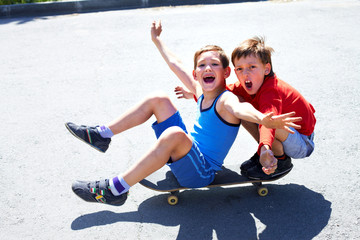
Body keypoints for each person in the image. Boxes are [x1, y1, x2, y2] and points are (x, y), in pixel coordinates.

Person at [65, 21, 301, 206]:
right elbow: (175, 62)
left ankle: (115, 189)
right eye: (201, 65)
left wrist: (262, 118)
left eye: (214, 65)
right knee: (159, 99)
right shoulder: (201, 91)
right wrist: (157, 40)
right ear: (196, 74)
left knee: (176, 133)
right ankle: (102, 135)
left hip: (202, 172)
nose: (207, 68)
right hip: (188, 155)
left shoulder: (226, 99)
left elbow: (240, 108)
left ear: (227, 72)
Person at [176, 36, 316, 180]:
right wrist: (193, 93)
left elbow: (269, 122)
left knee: (268, 120)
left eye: (252, 67)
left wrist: (265, 147)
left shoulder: (272, 91)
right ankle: (268, 151)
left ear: (266, 69)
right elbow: (218, 94)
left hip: (302, 142)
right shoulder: (241, 87)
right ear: (234, 71)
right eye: (240, 69)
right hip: (284, 133)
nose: (245, 73)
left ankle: (279, 159)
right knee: (237, 105)